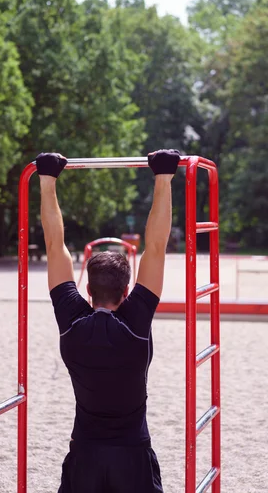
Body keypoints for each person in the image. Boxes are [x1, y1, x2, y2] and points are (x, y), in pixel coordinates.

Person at [36, 149, 180, 493]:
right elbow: (156, 247)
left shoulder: (72, 323)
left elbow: (55, 245)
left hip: (85, 453)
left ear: (87, 289)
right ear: (127, 289)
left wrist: (46, 181)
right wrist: (164, 176)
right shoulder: (135, 325)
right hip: (131, 456)